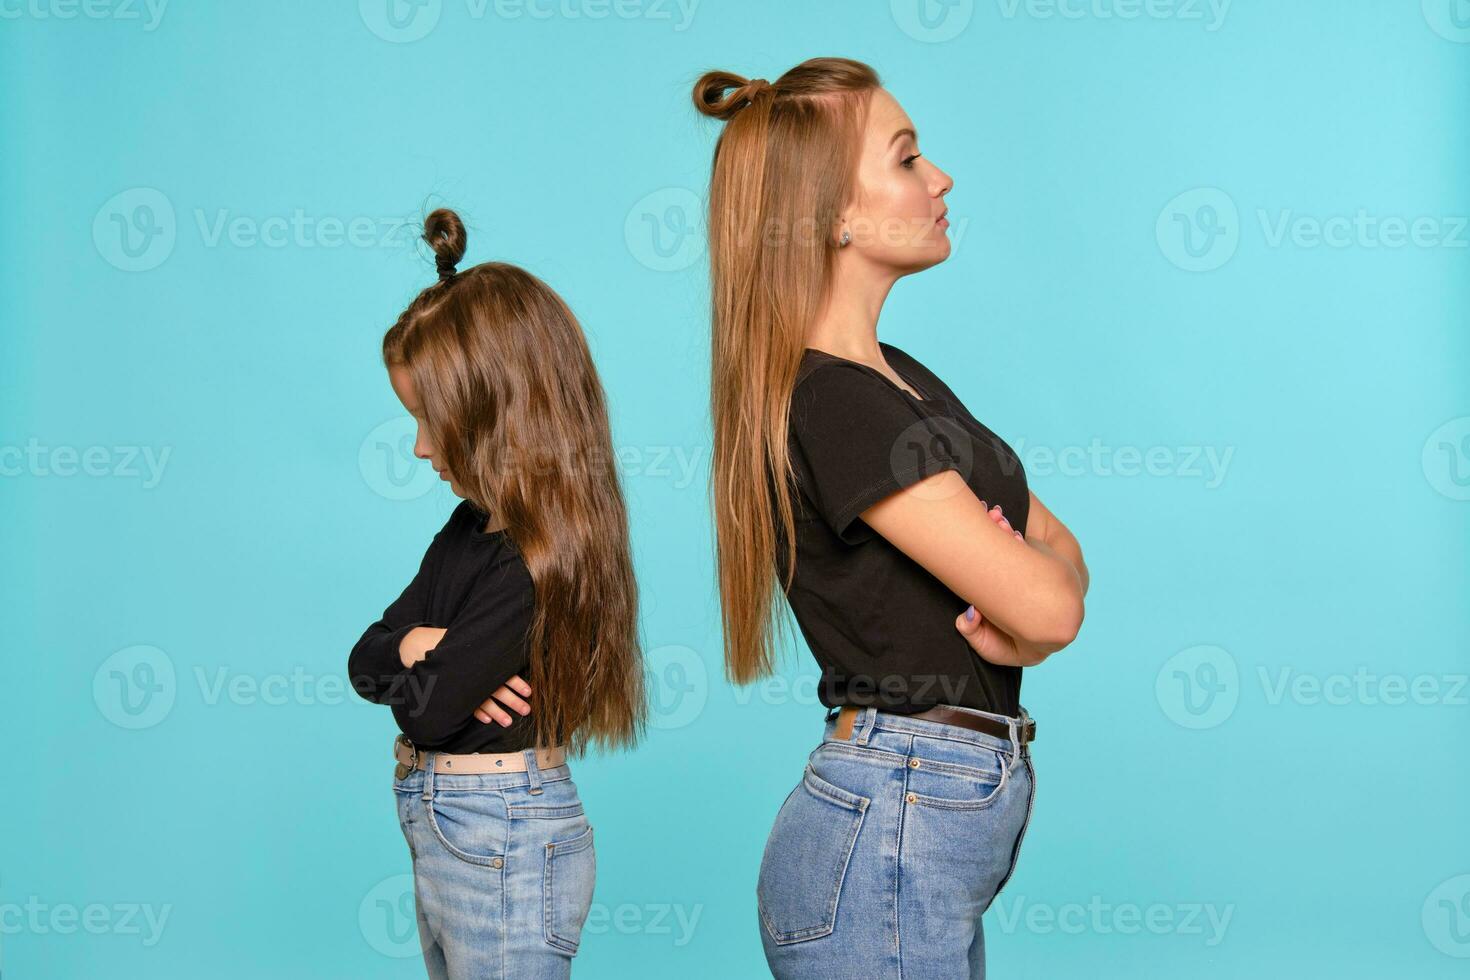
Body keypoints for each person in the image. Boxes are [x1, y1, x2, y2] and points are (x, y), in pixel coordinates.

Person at [692, 58, 1090, 978]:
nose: (939, 178)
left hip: (922, 827)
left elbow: (1058, 555)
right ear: (831, 211)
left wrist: (1035, 621)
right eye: (908, 159)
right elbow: (1052, 600)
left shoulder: (901, 380)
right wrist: (1036, 616)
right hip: (894, 827)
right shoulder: (838, 404)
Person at [347, 207, 646, 979]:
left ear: (495, 413)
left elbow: (423, 707)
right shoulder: (464, 531)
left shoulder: (537, 560)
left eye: (429, 420)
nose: (418, 447)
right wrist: (422, 648)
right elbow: (367, 661)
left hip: (498, 830)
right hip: (454, 823)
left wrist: (422, 663)